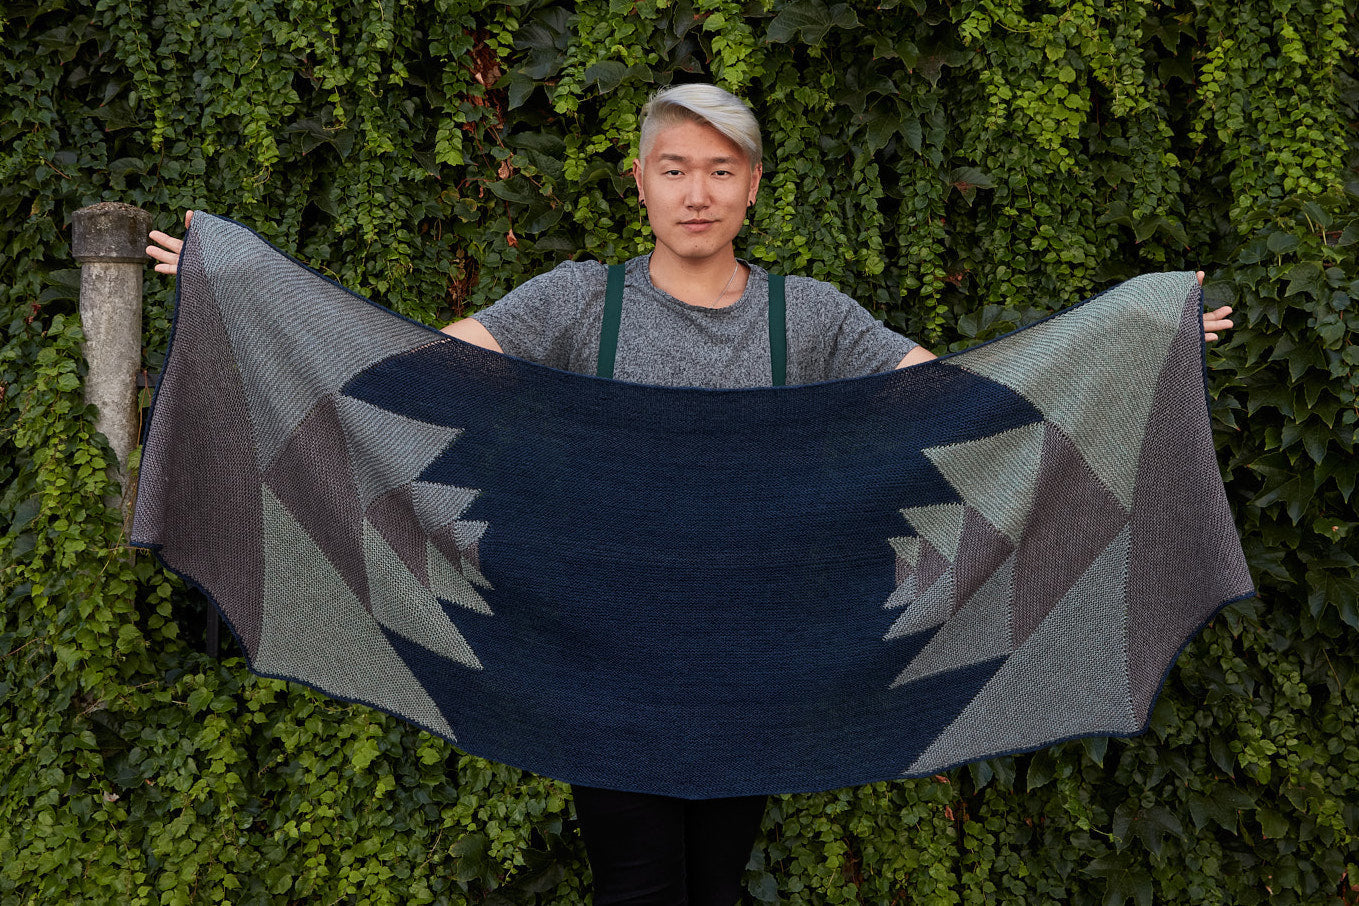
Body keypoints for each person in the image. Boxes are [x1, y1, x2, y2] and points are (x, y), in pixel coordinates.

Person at [147, 83, 1233, 906]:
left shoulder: (811, 318)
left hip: (752, 664)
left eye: (720, 170)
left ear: (753, 186)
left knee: (713, 887)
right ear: (640, 182)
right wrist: (238, 284)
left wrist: (1142, 340)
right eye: (674, 169)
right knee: (635, 885)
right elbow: (399, 378)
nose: (697, 192)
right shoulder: (577, 303)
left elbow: (967, 409)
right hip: (592, 658)